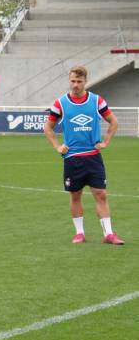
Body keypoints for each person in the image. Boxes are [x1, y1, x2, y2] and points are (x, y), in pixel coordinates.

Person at [43, 65, 124, 245]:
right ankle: (79, 233)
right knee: (75, 195)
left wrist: (106, 141)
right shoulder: (60, 103)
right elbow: (47, 127)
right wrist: (57, 146)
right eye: (73, 81)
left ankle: (108, 234)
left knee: (101, 193)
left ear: (85, 82)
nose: (75, 85)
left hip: (93, 156)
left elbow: (113, 121)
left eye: (79, 81)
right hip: (72, 158)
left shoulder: (96, 101)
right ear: (69, 81)